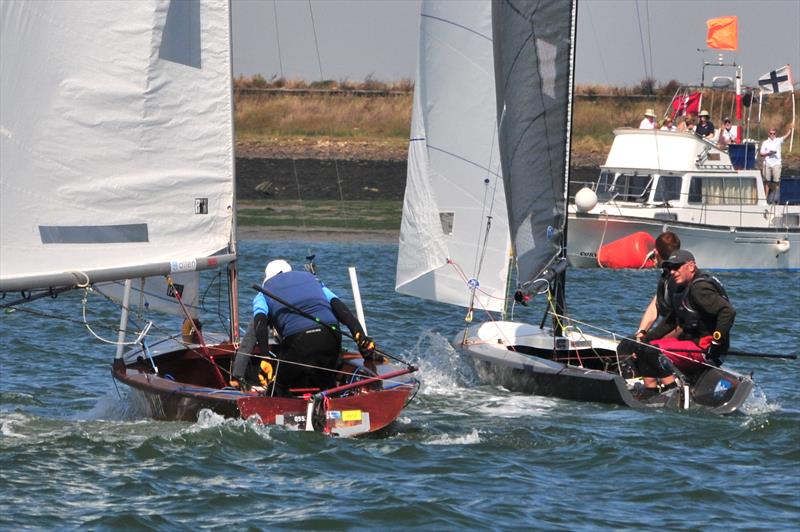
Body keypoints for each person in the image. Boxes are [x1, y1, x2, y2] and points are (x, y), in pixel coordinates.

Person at [231, 259, 377, 394]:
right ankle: (333, 404)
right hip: (330, 336)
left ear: (267, 278)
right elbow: (341, 310)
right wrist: (360, 336)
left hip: (298, 339)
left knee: (278, 387)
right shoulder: (313, 280)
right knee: (327, 383)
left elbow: (259, 323)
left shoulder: (264, 292)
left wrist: (265, 357)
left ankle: (282, 406)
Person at [625, 250, 736, 398]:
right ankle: (650, 391)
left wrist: (716, 342)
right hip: (691, 343)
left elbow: (728, 312)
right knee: (644, 347)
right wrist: (645, 339)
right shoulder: (681, 289)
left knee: (653, 351)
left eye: (676, 267)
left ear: (691, 266)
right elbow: (670, 322)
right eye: (670, 268)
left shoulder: (699, 288)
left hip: (706, 348)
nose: (672, 272)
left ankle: (672, 390)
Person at [634, 231, 681, 342]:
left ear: (656, 252)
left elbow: (682, 322)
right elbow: (655, 305)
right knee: (629, 343)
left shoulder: (677, 279)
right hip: (666, 333)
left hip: (680, 338)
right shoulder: (666, 274)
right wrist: (641, 332)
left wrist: (657, 342)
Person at [759, 124, 794, 203]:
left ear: (776, 134)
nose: (772, 135)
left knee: (777, 182)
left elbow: (786, 136)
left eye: (774, 133)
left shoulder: (778, 140)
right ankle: (765, 200)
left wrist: (790, 130)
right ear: (769, 134)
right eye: (771, 133)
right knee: (767, 182)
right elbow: (761, 153)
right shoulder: (765, 142)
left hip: (776, 164)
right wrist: (768, 153)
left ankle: (776, 200)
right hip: (767, 163)